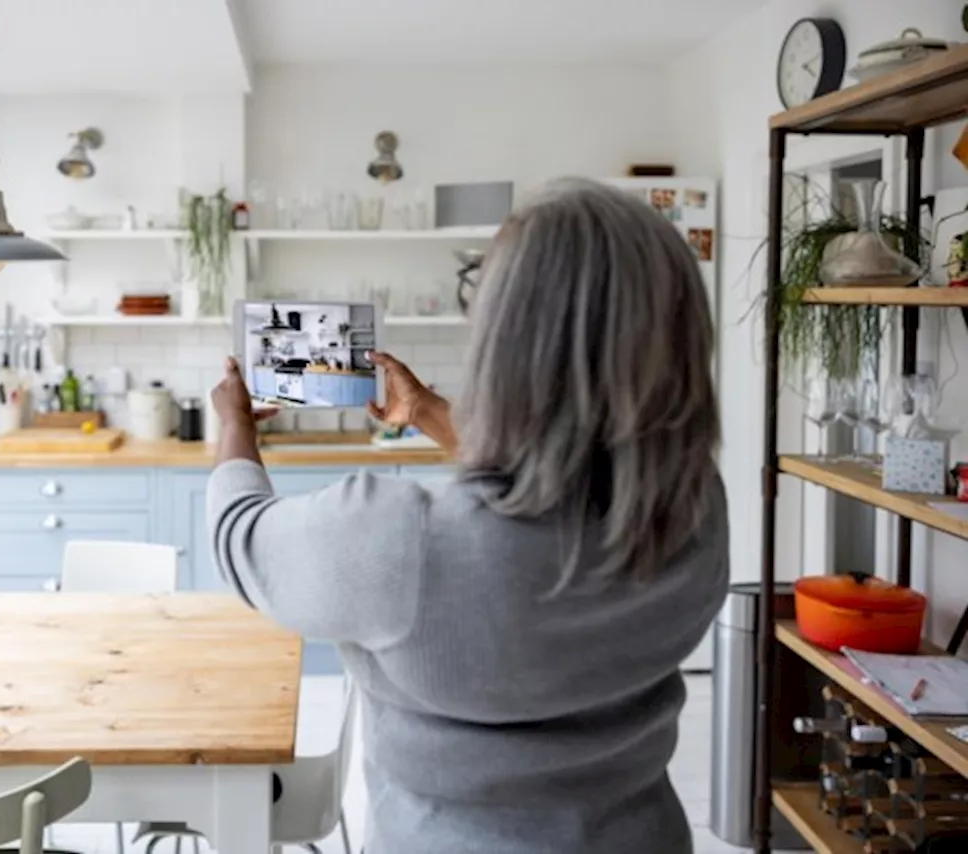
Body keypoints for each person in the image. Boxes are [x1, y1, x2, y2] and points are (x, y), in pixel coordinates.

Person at [207, 178, 728, 854]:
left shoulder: (402, 541)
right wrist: (425, 410)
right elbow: (559, 477)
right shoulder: (694, 510)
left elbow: (238, 534)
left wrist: (233, 424)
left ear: (505, 344)